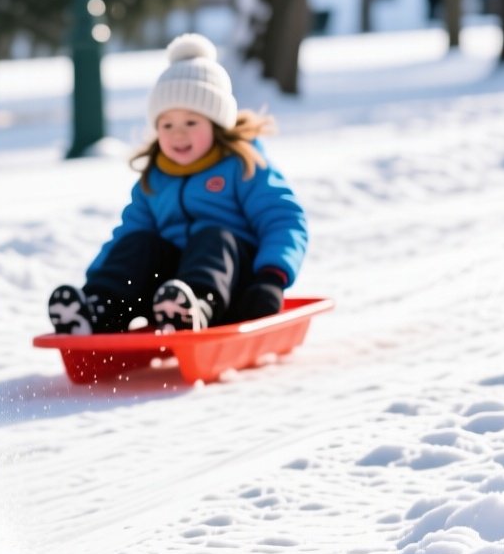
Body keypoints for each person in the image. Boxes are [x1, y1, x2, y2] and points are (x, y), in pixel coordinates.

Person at [47, 34, 308, 335]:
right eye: (167, 125)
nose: (178, 135)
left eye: (191, 123)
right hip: (165, 296)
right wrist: (95, 281)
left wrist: (271, 277)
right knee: (140, 242)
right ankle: (98, 308)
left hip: (235, 288)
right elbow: (127, 238)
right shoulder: (155, 178)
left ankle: (195, 306)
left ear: (217, 123)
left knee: (214, 236)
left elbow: (284, 220)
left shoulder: (243, 165)